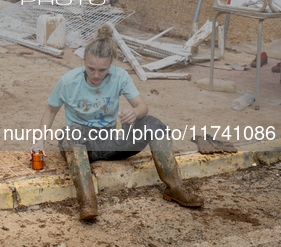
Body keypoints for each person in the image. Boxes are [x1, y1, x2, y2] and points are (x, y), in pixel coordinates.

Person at [30, 25, 204, 220]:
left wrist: (135, 112)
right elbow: (50, 110)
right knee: (70, 133)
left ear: (111, 65)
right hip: (83, 145)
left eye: (102, 70)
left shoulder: (120, 76)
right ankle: (88, 203)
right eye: (91, 69)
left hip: (110, 141)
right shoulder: (68, 81)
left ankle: (175, 188)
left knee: (153, 124)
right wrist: (39, 141)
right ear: (84, 62)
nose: (96, 75)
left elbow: (142, 107)